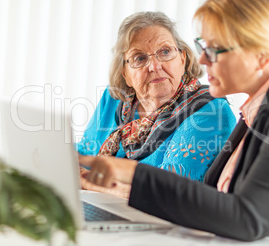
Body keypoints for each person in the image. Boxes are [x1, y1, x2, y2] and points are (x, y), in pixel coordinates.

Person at [80, 0, 269, 246]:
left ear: (260, 55)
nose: (203, 60)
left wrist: (132, 172)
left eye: (214, 49)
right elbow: (212, 197)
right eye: (203, 47)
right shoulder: (259, 108)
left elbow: (249, 218)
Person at [77, 11, 236, 197]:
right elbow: (85, 154)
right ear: (125, 74)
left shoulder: (209, 110)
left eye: (165, 52)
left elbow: (167, 194)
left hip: (165, 222)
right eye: (140, 58)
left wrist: (86, 181)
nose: (154, 66)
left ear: (182, 59)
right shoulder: (115, 99)